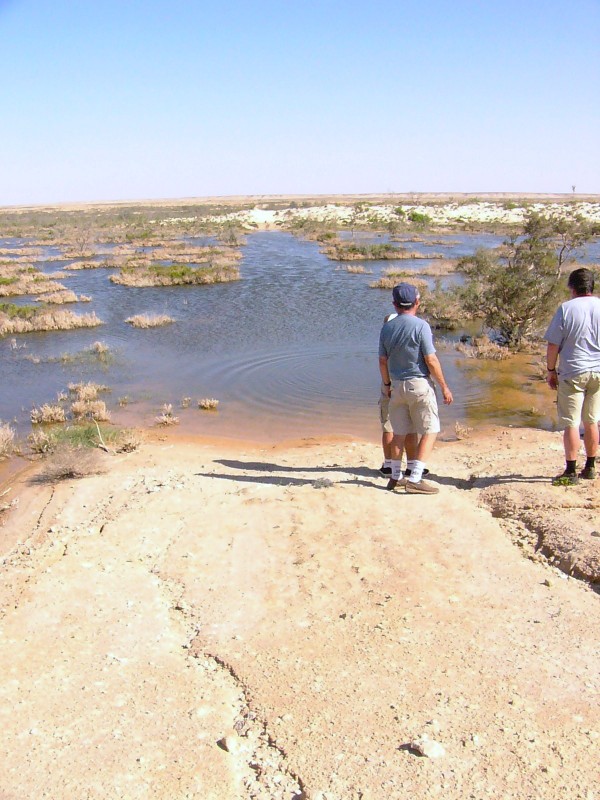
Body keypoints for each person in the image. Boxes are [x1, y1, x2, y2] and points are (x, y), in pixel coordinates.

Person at [378, 283, 453, 494]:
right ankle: (416, 478)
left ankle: (395, 477)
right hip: (418, 384)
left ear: (394, 304)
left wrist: (387, 385)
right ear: (417, 302)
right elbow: (431, 359)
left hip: (396, 385)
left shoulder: (387, 328)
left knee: (399, 432)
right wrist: (444, 387)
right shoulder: (421, 326)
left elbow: (382, 361)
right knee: (430, 430)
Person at [544, 267, 600, 485]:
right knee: (592, 421)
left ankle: (570, 471)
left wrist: (551, 370)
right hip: (598, 372)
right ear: (591, 286)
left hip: (573, 372)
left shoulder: (566, 309)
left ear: (571, 287)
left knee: (571, 423)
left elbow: (553, 345)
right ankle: (591, 467)